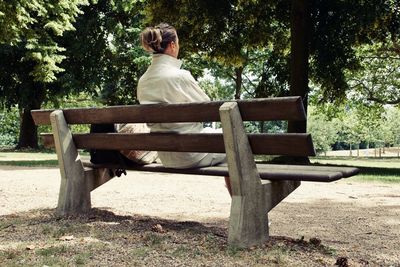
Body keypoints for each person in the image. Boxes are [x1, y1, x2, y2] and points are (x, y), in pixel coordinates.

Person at [137, 23, 232, 196]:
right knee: (236, 145)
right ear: (172, 45)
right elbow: (210, 110)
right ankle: (242, 201)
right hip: (190, 154)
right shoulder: (180, 76)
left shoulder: (143, 81)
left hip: (165, 156)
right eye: (178, 43)